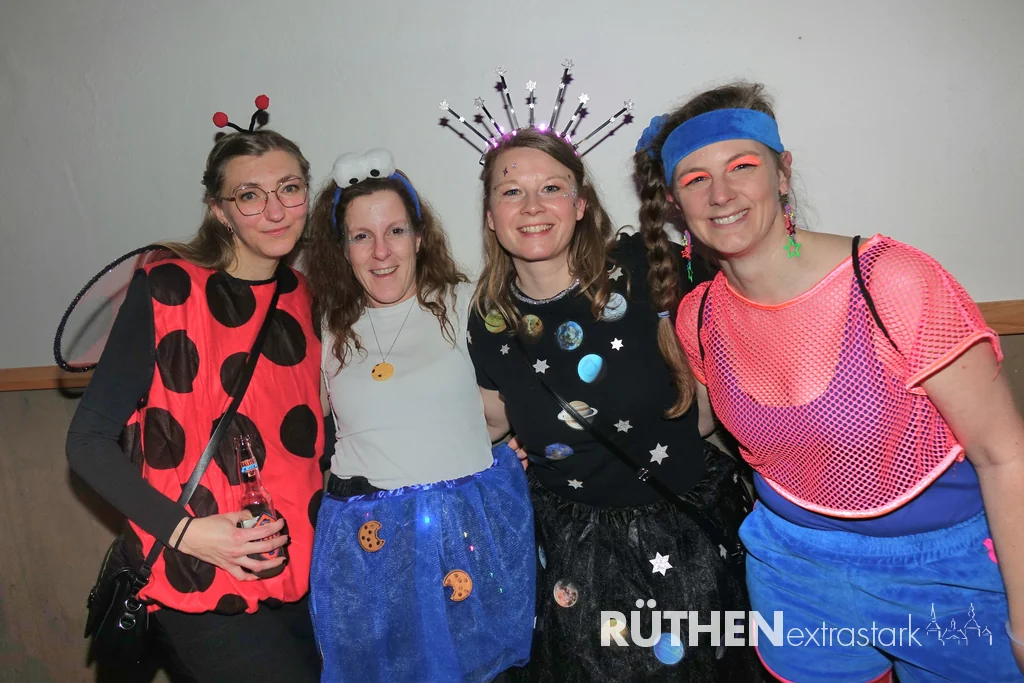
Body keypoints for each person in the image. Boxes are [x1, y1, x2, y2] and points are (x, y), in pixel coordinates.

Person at [634, 80, 1024, 682]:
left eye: (742, 166)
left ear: (782, 173)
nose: (721, 194)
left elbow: (1004, 455)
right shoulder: (698, 315)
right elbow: (702, 425)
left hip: (945, 575)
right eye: (695, 178)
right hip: (795, 572)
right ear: (675, 204)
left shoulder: (891, 281)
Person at [467, 127, 761, 681]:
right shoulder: (488, 319)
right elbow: (490, 420)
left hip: (685, 536)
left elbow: (747, 274)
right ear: (490, 215)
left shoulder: (645, 265)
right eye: (511, 192)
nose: (532, 207)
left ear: (580, 205)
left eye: (551, 188)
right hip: (571, 552)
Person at [66, 103, 323, 681]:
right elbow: (86, 443)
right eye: (250, 195)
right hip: (197, 575)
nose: (276, 210)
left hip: (301, 571)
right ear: (219, 211)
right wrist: (189, 533)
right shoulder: (168, 287)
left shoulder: (306, 297)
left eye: (289, 188)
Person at [303, 148, 534, 683]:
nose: (381, 251)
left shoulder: (468, 304)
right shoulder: (327, 328)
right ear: (343, 249)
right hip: (370, 551)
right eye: (361, 236)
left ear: (420, 236)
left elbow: (504, 410)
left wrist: (493, 453)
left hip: (462, 539)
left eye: (396, 231)